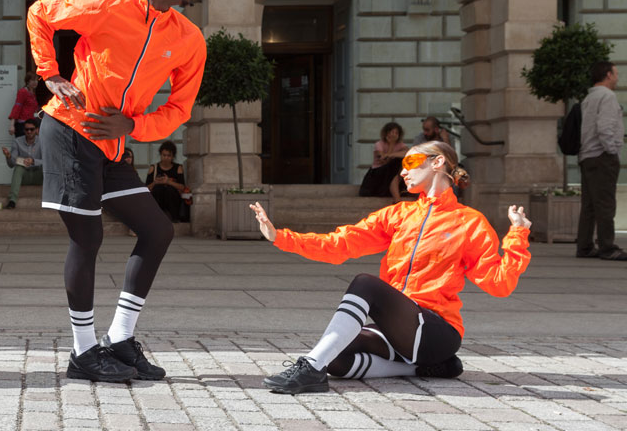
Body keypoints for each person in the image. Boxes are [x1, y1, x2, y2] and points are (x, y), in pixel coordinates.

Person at [27, 0, 205, 383]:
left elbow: (179, 108)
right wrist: (49, 74)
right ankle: (84, 352)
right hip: (69, 129)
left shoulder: (189, 38)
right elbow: (39, 14)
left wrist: (134, 127)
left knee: (157, 229)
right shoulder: (106, 7)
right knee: (87, 238)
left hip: (114, 144)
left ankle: (121, 338)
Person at [250, 140, 532, 395]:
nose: (403, 172)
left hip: (436, 331)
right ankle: (426, 369)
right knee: (335, 357)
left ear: (438, 163)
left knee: (366, 284)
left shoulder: (469, 222)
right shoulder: (399, 214)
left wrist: (518, 236)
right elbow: (341, 243)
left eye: (410, 162)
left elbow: (499, 283)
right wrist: (280, 237)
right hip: (399, 331)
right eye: (402, 165)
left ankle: (310, 369)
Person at [576, 61, 626, 260]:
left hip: (587, 155)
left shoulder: (589, 98)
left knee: (589, 205)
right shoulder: (607, 96)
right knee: (606, 203)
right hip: (602, 156)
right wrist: (612, 150)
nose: (617, 77)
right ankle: (607, 247)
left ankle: (585, 246)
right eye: (615, 73)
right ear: (607, 75)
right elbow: (605, 127)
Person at [359, 121, 408, 200]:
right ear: (386, 133)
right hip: (377, 174)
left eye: (396, 133)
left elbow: (407, 153)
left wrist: (390, 155)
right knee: (393, 166)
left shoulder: (400, 145)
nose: (394, 135)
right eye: (392, 132)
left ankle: (397, 195)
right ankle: (397, 199)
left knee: (398, 163)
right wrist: (391, 145)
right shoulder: (379, 144)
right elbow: (383, 161)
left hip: (391, 175)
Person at [1, 117, 43, 209]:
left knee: (47, 169)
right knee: (18, 168)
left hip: (39, 175)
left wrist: (33, 161)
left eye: (31, 129)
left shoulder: (42, 142)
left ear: (36, 130)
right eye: (26, 129)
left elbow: (48, 162)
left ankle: (52, 200)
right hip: (24, 176)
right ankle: (12, 200)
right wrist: (8, 156)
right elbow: (12, 164)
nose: (29, 132)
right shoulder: (17, 141)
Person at [146, 140, 187, 222]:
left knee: (169, 190)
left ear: (172, 156)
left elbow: (182, 187)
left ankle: (173, 217)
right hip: (158, 200)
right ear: (160, 155)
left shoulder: (178, 168)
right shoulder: (154, 168)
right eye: (164, 155)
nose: (166, 158)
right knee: (158, 189)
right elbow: (146, 188)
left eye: (169, 155)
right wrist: (156, 182)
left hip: (173, 201)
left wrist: (168, 182)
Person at [9, 74, 41, 138]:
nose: (35, 82)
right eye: (33, 80)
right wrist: (12, 125)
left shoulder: (34, 93)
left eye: (36, 80)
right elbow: (17, 107)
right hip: (23, 124)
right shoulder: (23, 92)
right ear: (28, 81)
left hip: (32, 123)